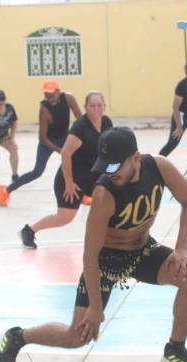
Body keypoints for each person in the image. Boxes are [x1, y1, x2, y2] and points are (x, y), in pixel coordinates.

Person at [0, 127, 187, 362]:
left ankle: (175, 350)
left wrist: (182, 248)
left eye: (115, 166)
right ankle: (18, 336)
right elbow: (90, 256)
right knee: (77, 336)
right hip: (104, 262)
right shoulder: (103, 195)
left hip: (141, 250)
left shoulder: (159, 167)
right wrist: (95, 307)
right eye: (105, 166)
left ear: (136, 158)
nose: (110, 173)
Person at [19, 91, 112, 249]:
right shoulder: (80, 128)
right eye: (92, 106)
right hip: (72, 179)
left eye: (99, 105)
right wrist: (69, 183)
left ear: (104, 106)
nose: (96, 108)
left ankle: (107, 239)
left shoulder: (106, 123)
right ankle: (29, 231)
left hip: (94, 176)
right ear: (85, 107)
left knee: (110, 200)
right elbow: (65, 154)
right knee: (64, 218)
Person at [0, 80, 82, 204]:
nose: (49, 97)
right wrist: (60, 150)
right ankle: (6, 190)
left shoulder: (68, 98)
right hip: (48, 142)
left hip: (64, 137)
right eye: (46, 94)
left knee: (79, 161)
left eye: (51, 94)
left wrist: (78, 137)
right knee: (37, 172)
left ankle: (83, 193)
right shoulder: (44, 109)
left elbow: (80, 120)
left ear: (58, 92)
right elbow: (43, 138)